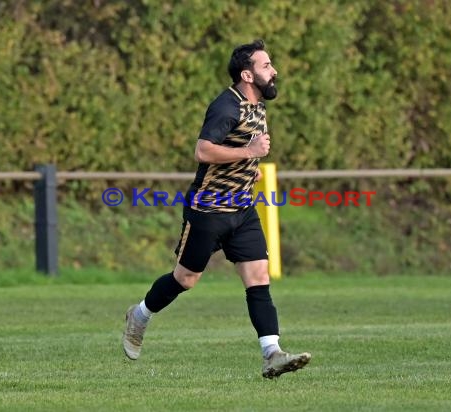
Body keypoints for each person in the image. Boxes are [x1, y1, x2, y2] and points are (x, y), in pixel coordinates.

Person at [122, 39, 311, 379]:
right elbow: (204, 151)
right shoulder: (227, 107)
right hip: (208, 209)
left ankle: (272, 354)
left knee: (259, 278)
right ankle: (139, 315)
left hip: (242, 209)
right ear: (247, 75)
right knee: (186, 279)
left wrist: (249, 161)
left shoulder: (257, 106)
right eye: (266, 66)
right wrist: (248, 151)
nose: (274, 71)